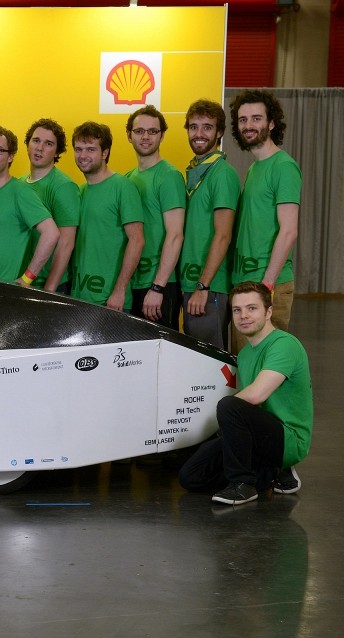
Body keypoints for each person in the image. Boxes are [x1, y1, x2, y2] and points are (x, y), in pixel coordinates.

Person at [179, 281, 313, 505]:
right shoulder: (244, 355)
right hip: (258, 434)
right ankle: (268, 472)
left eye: (252, 308)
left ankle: (243, 485)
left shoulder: (284, 345)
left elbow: (255, 396)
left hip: (288, 439)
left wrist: (220, 417)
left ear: (268, 312)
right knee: (191, 476)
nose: (243, 316)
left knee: (229, 405)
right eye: (237, 310)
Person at [229, 89, 302, 353]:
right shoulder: (254, 167)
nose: (248, 125)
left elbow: (289, 231)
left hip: (267, 284)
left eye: (256, 118)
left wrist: (266, 285)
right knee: (245, 361)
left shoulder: (283, 166)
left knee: (266, 363)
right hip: (245, 282)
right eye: (243, 120)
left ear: (271, 123)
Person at [179, 99, 239, 349]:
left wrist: (203, 286)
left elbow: (223, 235)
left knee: (211, 361)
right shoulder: (195, 172)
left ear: (220, 132)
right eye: (194, 127)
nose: (199, 134)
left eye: (207, 127)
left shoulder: (222, 174)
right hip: (190, 281)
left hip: (209, 287)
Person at [0, 125, 59, 285]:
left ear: (10, 156)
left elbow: (51, 233)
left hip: (6, 291)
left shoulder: (20, 192)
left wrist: (27, 278)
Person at [71, 121, 145, 311]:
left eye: (90, 149)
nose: (83, 155)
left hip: (110, 301)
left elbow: (137, 240)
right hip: (80, 296)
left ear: (105, 153)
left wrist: (119, 290)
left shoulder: (123, 187)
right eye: (78, 149)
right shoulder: (81, 191)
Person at [125, 105, 185, 329]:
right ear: (129, 135)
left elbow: (175, 235)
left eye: (152, 131)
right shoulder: (128, 178)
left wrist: (158, 287)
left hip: (160, 286)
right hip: (134, 282)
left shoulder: (169, 176)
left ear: (162, 135)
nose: (146, 137)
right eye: (139, 131)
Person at [20, 118, 80, 293]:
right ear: (28, 144)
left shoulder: (64, 186)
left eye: (48, 144)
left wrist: (50, 289)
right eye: (36, 140)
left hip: (50, 285)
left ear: (57, 152)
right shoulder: (20, 183)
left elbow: (66, 243)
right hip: (23, 281)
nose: (40, 148)